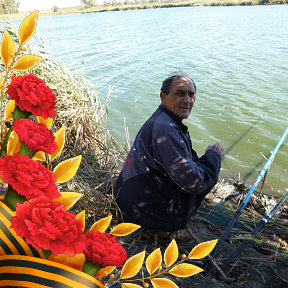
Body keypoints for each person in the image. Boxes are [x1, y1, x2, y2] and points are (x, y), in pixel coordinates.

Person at [115, 74, 224, 233]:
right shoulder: (166, 129)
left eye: (191, 94)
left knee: (200, 164)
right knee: (205, 174)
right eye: (180, 93)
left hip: (128, 200)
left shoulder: (163, 119)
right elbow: (194, 183)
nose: (187, 101)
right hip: (143, 215)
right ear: (163, 97)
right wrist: (213, 157)